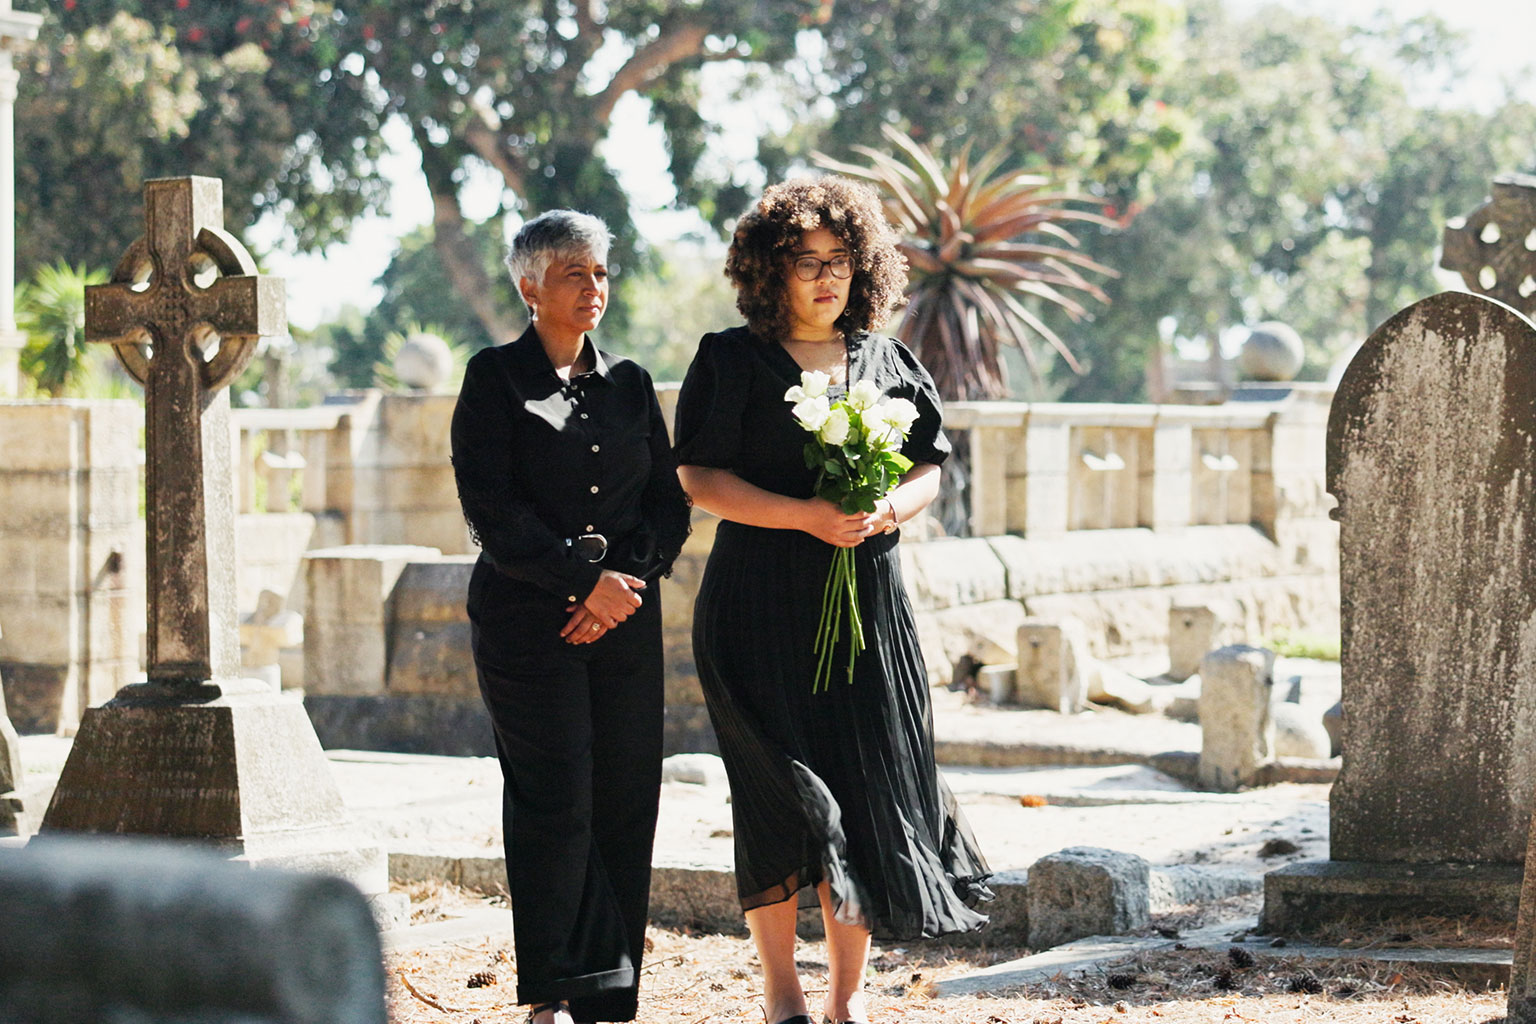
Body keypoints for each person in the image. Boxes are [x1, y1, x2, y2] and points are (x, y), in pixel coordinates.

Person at [673, 177, 991, 1024]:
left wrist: (888, 507)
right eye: (804, 262)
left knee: (863, 791)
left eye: (839, 261)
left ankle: (847, 1002)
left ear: (864, 268)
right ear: (767, 273)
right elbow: (699, 476)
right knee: (781, 795)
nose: (825, 277)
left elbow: (929, 463)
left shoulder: (889, 360)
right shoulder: (730, 360)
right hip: (756, 606)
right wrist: (806, 517)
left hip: (867, 608)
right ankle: (782, 996)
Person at [451, 210, 691, 1024]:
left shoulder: (630, 383)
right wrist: (578, 583)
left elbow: (667, 500)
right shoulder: (492, 378)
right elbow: (490, 507)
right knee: (556, 798)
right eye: (574, 275)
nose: (594, 289)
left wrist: (623, 581)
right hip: (528, 622)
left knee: (626, 792)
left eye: (601, 274)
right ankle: (551, 990)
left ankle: (612, 996)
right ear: (530, 288)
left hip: (626, 616)